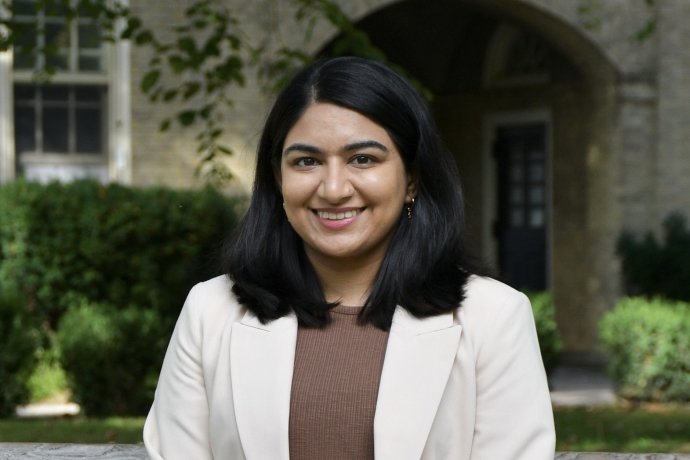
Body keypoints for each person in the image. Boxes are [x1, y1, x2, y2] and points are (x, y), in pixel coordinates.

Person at [143, 56, 555, 460]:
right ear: (277, 179)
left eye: (363, 159)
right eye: (307, 161)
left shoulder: (494, 317)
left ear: (411, 177)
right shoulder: (210, 312)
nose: (334, 188)